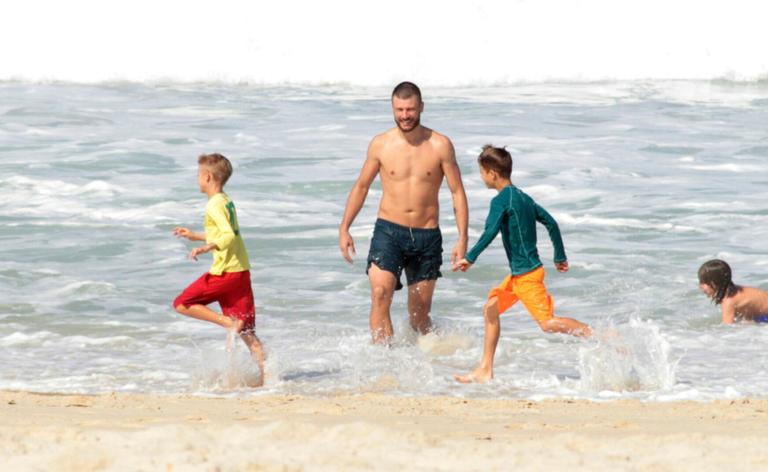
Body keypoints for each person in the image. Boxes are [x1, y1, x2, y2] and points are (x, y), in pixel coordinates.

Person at [338, 82, 469, 344]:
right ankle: (383, 362)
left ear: (421, 107)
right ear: (392, 108)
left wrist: (462, 238)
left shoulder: (440, 145)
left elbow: (457, 192)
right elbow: (361, 186)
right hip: (389, 231)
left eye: (410, 109)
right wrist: (345, 228)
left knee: (419, 316)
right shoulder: (381, 144)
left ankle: (438, 354)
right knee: (379, 293)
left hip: (427, 236)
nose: (405, 115)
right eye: (399, 109)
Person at [453, 145, 591, 383]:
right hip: (520, 275)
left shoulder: (501, 201)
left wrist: (470, 257)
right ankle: (485, 370)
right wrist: (559, 257)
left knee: (547, 323)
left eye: (482, 172)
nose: (481, 177)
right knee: (490, 310)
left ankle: (595, 335)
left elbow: (490, 232)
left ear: (492, 173)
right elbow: (552, 223)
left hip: (527, 275)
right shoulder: (523, 198)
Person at [172, 153, 265, 384]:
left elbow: (226, 237)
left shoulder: (213, 205)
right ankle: (269, 380)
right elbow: (227, 232)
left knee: (182, 304)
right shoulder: (225, 200)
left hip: (225, 272)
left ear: (207, 177)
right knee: (247, 333)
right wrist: (195, 236)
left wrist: (205, 248)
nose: (197, 179)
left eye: (198, 175)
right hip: (240, 271)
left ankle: (227, 322)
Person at [698, 259, 768, 324]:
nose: (700, 286)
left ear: (714, 283)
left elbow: (727, 327)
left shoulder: (728, 301)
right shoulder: (736, 290)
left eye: (703, 282)